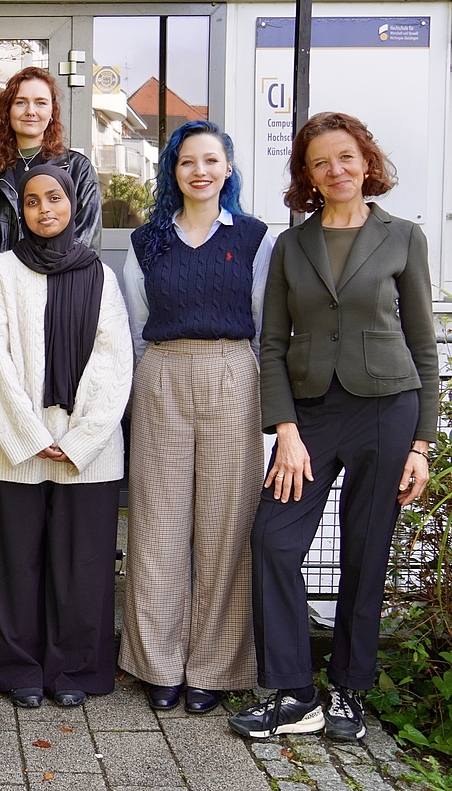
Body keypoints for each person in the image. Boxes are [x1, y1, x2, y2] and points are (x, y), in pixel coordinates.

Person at [229, 112, 438, 741]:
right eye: (321, 162)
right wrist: (284, 429)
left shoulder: (403, 236)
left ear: (366, 161)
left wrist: (422, 442)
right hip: (311, 417)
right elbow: (270, 344)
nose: (336, 170)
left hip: (386, 410)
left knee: (365, 552)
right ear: (307, 175)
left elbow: (423, 343)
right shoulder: (292, 245)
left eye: (345, 157)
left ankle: (349, 690)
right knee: (274, 539)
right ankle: (296, 694)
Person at [117, 121, 274, 715]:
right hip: (161, 373)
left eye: (211, 160)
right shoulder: (146, 242)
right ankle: (157, 661)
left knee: (226, 522)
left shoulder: (257, 239)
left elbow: (264, 324)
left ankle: (214, 665)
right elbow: (135, 325)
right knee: (157, 520)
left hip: (233, 372)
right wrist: (147, 384)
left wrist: (253, 388)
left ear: (228, 168)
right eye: (187, 162)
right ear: (172, 171)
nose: (200, 171)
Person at [0, 164, 131, 708]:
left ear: (73, 204)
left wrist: (80, 438)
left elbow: (114, 363)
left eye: (54, 198)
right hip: (11, 445)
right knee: (14, 562)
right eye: (33, 201)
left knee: (82, 564)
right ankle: (19, 668)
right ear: (22, 211)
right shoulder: (0, 270)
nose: (44, 209)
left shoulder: (101, 274)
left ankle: (77, 670)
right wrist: (31, 433)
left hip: (87, 449)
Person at [0, 65, 102, 272]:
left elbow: (85, 245)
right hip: (4, 297)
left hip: (60, 294)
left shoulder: (78, 170)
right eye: (21, 102)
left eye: (40, 103)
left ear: (52, 111)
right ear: (8, 111)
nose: (30, 111)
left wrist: (40, 284)